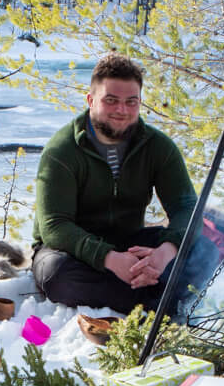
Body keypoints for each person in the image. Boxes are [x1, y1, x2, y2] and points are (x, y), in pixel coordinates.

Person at [31, 53, 210, 315]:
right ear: (91, 100)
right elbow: (54, 227)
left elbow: (186, 207)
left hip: (128, 241)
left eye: (131, 102)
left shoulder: (158, 147)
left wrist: (164, 253)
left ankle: (140, 289)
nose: (122, 110)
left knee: (204, 251)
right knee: (55, 276)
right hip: (72, 252)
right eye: (111, 100)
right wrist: (110, 259)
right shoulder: (62, 151)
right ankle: (158, 301)